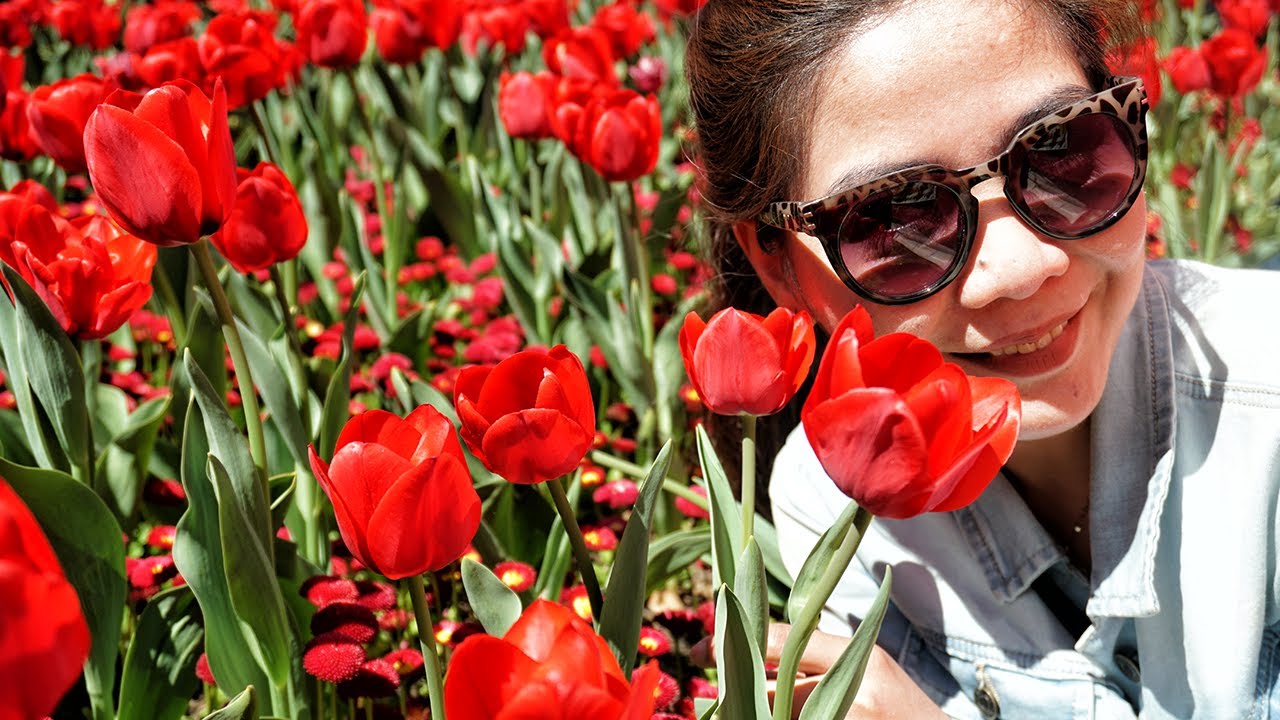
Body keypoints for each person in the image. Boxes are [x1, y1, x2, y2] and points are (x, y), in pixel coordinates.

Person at [685, 0, 1280, 717]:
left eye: (1064, 147)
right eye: (898, 217)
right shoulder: (837, 510)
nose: (1020, 267)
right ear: (777, 264)